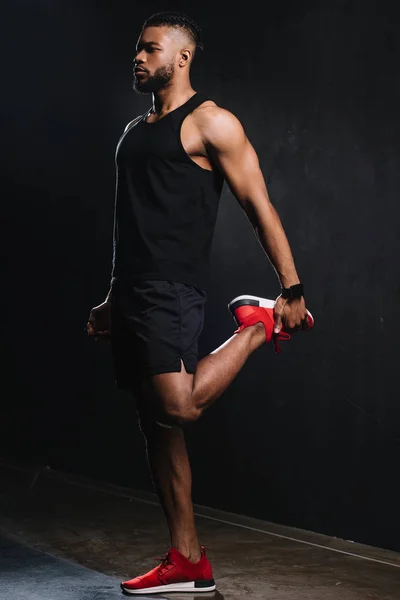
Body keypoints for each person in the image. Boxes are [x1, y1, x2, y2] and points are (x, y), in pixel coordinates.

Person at [86, 10, 313, 595]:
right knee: (156, 426)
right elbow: (127, 227)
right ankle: (187, 560)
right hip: (134, 290)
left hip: (171, 287)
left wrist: (291, 290)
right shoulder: (133, 134)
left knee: (179, 407)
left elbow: (258, 205)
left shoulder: (211, 124)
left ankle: (257, 325)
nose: (137, 57)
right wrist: (112, 299)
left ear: (182, 57)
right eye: (135, 49)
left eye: (150, 48)